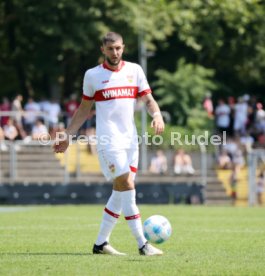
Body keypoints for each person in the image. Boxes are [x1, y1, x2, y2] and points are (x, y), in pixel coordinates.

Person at [53, 32, 165, 256]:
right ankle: (143, 244)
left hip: (131, 141)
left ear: (123, 48)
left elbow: (149, 100)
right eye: (111, 48)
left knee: (120, 190)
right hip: (108, 141)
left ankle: (100, 244)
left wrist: (157, 114)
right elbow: (84, 109)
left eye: (119, 48)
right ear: (103, 49)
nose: (115, 52)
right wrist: (67, 134)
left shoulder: (135, 70)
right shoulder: (92, 75)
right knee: (127, 185)